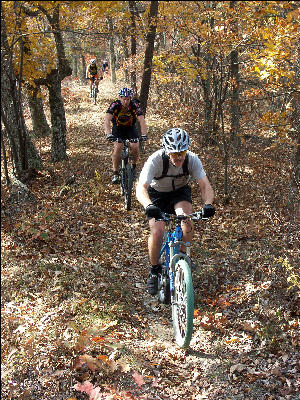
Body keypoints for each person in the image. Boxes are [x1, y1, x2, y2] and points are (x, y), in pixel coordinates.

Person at [136, 128, 215, 295]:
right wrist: (149, 206)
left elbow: (205, 185)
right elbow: (141, 188)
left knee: (186, 223)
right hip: (157, 195)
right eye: (175, 153)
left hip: (179, 192)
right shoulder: (155, 160)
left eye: (183, 152)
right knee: (157, 231)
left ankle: (183, 257)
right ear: (167, 151)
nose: (179, 157)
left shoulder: (192, 160)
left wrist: (208, 204)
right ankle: (154, 269)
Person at [104, 87, 148, 184]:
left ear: (130, 98)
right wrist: (108, 134)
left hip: (130, 128)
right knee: (118, 147)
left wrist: (144, 134)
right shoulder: (115, 105)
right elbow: (107, 120)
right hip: (118, 128)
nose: (126, 101)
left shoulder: (134, 105)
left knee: (135, 146)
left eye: (128, 99)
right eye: (124, 99)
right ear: (120, 98)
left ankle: (133, 167)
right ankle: (115, 173)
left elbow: (141, 120)